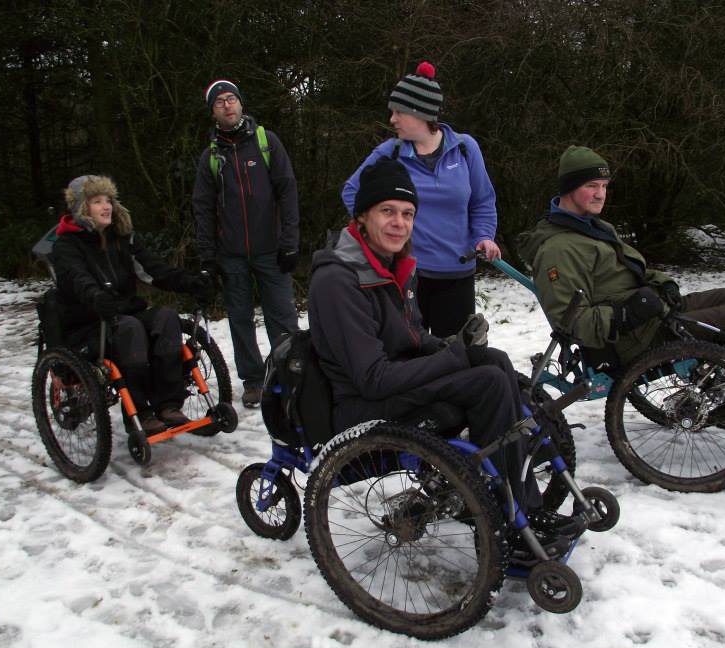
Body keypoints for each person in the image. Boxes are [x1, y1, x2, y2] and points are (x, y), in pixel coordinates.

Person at [310, 158, 546, 516]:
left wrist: (454, 345)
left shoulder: (394, 264)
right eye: (387, 211)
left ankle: (517, 493)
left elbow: (412, 335)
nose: (399, 223)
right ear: (362, 217)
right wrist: (452, 358)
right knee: (487, 382)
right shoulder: (338, 281)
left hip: (394, 384)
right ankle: (509, 514)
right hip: (360, 405)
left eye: (407, 214)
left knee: (494, 360)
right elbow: (372, 378)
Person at [517, 145, 725, 421]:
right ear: (569, 189)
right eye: (591, 186)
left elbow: (630, 270)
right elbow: (570, 321)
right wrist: (626, 314)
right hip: (631, 337)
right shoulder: (559, 249)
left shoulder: (591, 226)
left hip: (649, 314)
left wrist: (664, 284)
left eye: (604, 186)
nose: (600, 194)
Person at [341, 62, 499, 339]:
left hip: (456, 275)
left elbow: (482, 201)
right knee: (406, 357)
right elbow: (352, 191)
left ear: (421, 113)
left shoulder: (464, 148)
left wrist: (484, 236)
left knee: (454, 359)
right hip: (405, 275)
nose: (392, 119)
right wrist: (380, 235)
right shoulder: (390, 153)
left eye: (398, 112)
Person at [52, 175, 213, 435]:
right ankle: (140, 412)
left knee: (166, 318)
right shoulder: (66, 247)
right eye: (97, 201)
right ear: (82, 208)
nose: (106, 206)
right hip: (89, 322)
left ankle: (169, 405)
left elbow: (154, 270)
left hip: (125, 314)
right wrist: (96, 297)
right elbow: (77, 279)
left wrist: (190, 282)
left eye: (109, 200)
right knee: (131, 329)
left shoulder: (123, 239)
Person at [192, 79, 300, 409]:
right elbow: (203, 207)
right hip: (232, 254)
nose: (228, 105)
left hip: (271, 249)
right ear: (213, 112)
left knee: (281, 316)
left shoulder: (267, 143)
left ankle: (290, 376)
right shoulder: (210, 156)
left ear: (241, 104)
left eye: (232, 99)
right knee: (239, 318)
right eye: (220, 102)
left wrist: (290, 241)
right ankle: (253, 381)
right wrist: (207, 256)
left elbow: (288, 191)